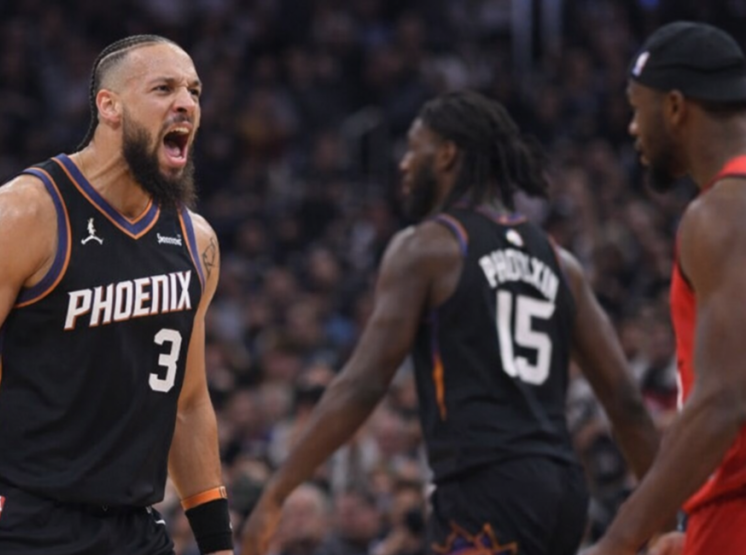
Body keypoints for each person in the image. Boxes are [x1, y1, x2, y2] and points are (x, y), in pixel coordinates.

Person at [240, 91, 660, 555]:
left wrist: (278, 490)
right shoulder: (562, 264)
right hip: (561, 490)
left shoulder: (430, 248)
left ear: (446, 154)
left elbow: (362, 384)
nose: (402, 165)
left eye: (413, 148)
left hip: (486, 489)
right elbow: (626, 403)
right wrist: (665, 518)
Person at [0, 35, 233, 555]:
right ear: (109, 106)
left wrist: (217, 545)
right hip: (14, 519)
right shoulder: (24, 214)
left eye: (194, 90)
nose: (186, 102)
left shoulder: (197, 242)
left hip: (129, 527)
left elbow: (187, 404)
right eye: (164, 88)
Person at [588, 21, 746, 555]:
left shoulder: (723, 210)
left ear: (675, 107)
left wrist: (617, 540)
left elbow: (722, 403)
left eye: (638, 109)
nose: (633, 127)